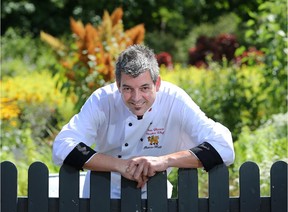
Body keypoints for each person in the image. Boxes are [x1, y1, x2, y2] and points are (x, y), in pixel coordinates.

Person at [53, 44, 235, 198]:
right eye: (127, 89)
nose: (136, 97)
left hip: (154, 196)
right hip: (100, 196)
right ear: (117, 85)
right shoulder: (102, 100)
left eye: (145, 88)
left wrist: (163, 161)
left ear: (157, 84)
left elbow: (224, 146)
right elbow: (63, 146)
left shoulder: (175, 100)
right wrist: (120, 166)